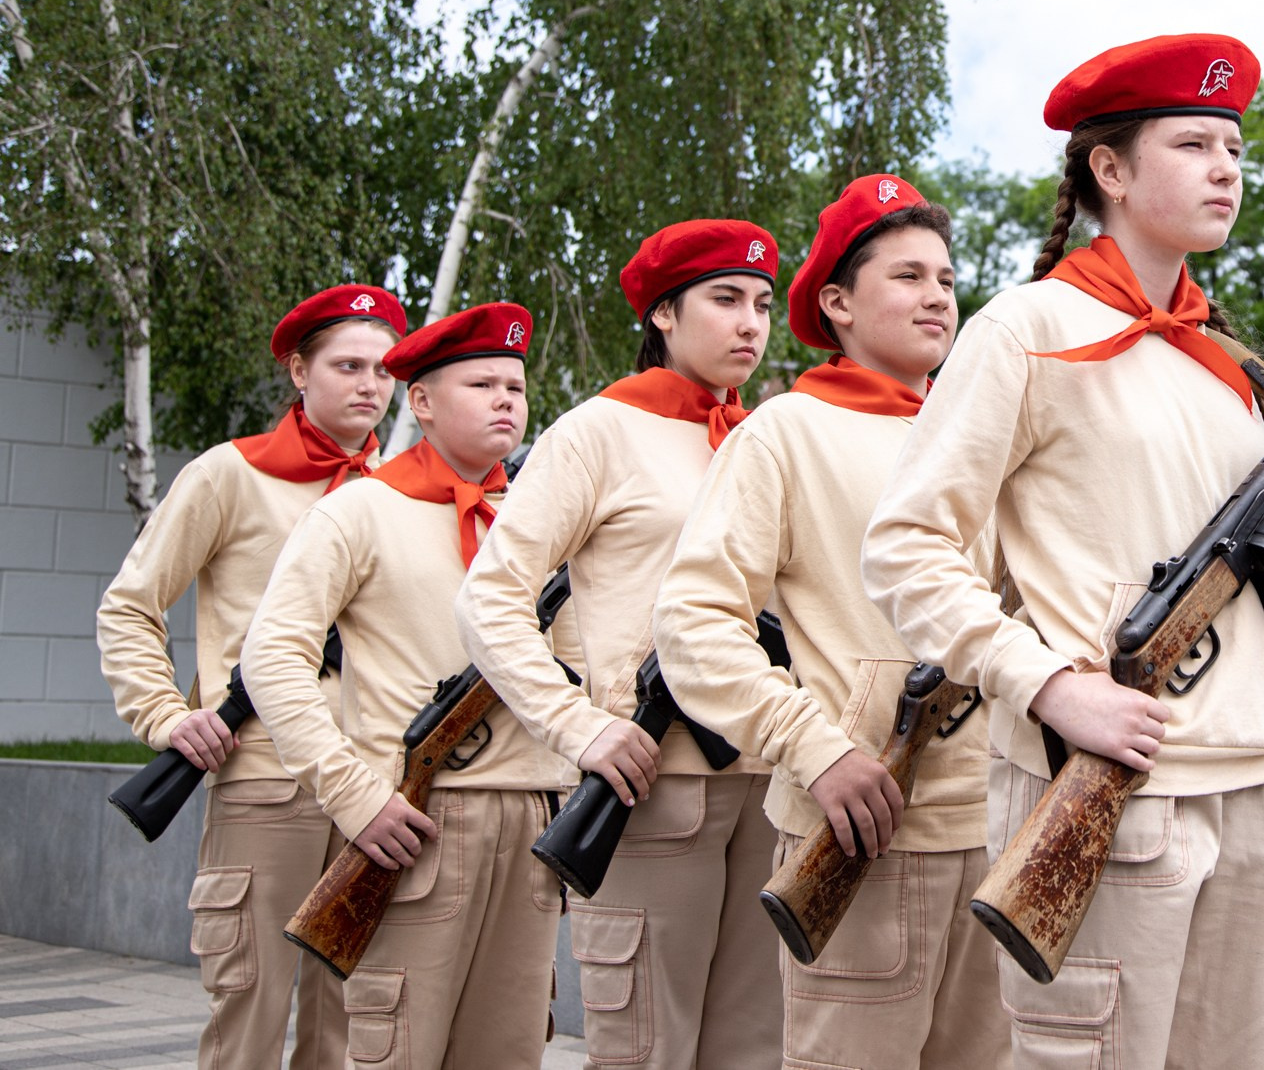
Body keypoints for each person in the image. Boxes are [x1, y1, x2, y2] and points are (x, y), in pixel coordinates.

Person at [862, 36, 1264, 1069]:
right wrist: (1046, 684)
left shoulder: (1229, 364)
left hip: (1249, 790)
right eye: (1192, 141)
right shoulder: (1026, 329)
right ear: (1107, 169)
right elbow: (904, 549)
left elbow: (1245, 617)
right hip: (1106, 780)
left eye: (1234, 146)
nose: (1224, 167)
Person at [655, 175, 1004, 1070]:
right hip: (857, 826)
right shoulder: (786, 432)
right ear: (837, 302)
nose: (936, 296)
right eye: (908, 276)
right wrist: (816, 746)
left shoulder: (981, 434)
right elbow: (695, 620)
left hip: (1000, 826)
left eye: (947, 278)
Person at [456, 220, 785, 1070]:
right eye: (724, 300)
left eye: (761, 303)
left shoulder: (768, 438)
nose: (751, 322)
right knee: (645, 1050)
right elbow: (491, 597)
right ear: (665, 314)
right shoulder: (596, 432)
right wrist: (578, 725)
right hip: (652, 785)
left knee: (750, 1050)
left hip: (769, 783)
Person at [241, 302, 573, 1070]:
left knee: (510, 1049)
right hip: (415, 822)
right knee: (399, 1049)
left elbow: (572, 669)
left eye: (516, 387)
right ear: (419, 400)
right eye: (481, 382)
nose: (505, 401)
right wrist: (352, 794)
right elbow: (273, 657)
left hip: (529, 819)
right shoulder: (359, 510)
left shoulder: (537, 524)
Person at [95, 283, 406, 1070]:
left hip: (374, 784)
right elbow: (130, 606)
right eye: (347, 364)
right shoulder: (228, 475)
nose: (370, 384)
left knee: (351, 1016)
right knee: (251, 1011)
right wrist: (166, 714)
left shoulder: (402, 492)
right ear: (300, 370)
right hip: (267, 781)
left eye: (383, 368)